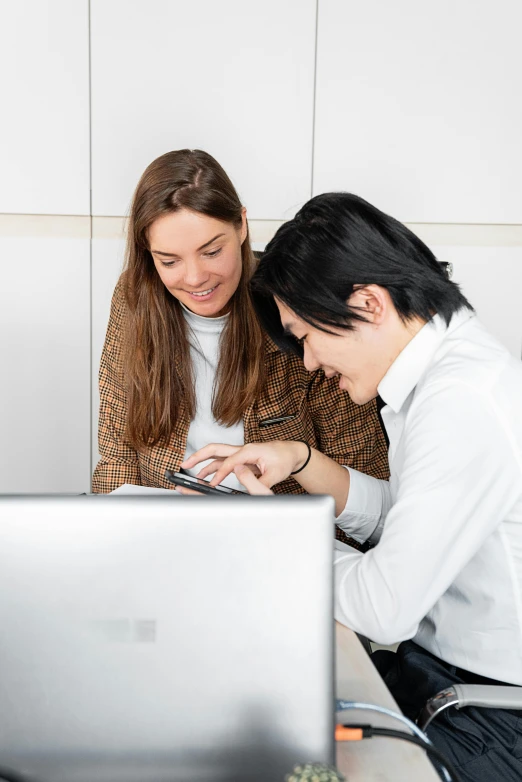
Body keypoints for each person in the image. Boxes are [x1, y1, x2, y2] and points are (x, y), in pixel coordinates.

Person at [182, 192, 522, 781]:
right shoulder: (443, 375)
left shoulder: (462, 399)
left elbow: (383, 607)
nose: (308, 363)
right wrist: (303, 460)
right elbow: (409, 517)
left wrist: (277, 541)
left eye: (306, 336)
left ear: (368, 304)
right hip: (446, 682)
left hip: (491, 714)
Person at [92, 152, 388, 547]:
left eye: (212, 251)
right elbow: (117, 451)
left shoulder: (294, 301)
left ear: (242, 225)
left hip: (279, 543)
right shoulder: (133, 299)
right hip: (165, 538)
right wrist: (108, 547)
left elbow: (359, 467)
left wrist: (323, 573)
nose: (195, 278)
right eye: (169, 261)